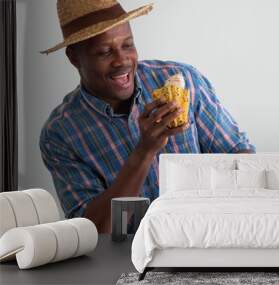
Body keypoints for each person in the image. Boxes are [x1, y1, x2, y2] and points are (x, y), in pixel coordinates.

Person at [39, 0, 256, 233]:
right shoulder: (61, 134)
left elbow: (240, 158)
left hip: (209, 237)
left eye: (128, 45)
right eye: (104, 52)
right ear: (74, 57)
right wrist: (145, 150)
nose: (122, 61)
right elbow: (94, 230)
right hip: (127, 260)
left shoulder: (184, 79)